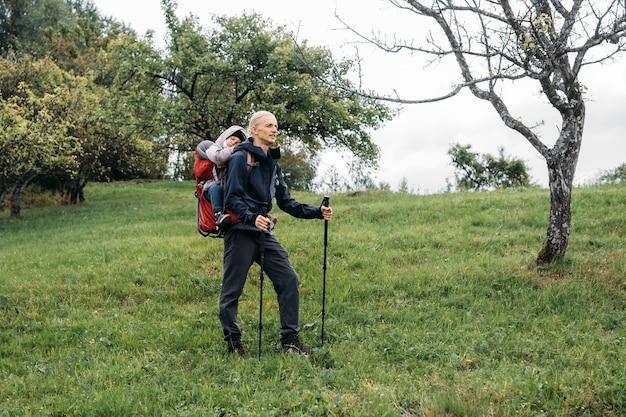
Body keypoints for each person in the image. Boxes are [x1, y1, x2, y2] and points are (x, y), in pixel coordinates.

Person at [219, 111, 333, 357]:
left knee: (288, 278)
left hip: (263, 233)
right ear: (255, 130)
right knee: (232, 290)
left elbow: (286, 202)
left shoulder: (273, 163)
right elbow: (232, 198)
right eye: (269, 125)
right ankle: (233, 342)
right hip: (240, 233)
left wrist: (317, 212)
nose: (274, 129)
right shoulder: (241, 158)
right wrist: (251, 217)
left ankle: (290, 339)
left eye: (276, 126)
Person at [203, 126, 247, 227]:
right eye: (232, 139)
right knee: (215, 188)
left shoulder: (238, 155)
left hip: (230, 187)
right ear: (226, 137)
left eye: (237, 143)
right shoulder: (213, 148)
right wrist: (232, 150)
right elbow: (217, 157)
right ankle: (219, 216)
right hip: (213, 185)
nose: (233, 143)